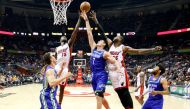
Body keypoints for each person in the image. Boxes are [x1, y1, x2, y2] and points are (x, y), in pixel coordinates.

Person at [89, 11, 162, 109]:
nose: (115, 36)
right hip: (111, 72)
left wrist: (152, 49)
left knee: (124, 91)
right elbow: (102, 33)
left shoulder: (124, 48)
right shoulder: (110, 45)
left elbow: (139, 51)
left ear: (120, 40)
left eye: (117, 36)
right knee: (119, 92)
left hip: (120, 72)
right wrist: (95, 20)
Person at [80, 11, 120, 109]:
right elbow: (89, 33)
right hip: (94, 75)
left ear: (103, 45)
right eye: (99, 40)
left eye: (101, 41)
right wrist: (86, 20)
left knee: (98, 95)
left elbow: (114, 60)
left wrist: (118, 68)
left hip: (101, 75)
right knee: (99, 97)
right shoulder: (93, 47)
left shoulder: (105, 53)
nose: (99, 40)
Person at [55, 14, 81, 105]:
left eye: (65, 37)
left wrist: (79, 19)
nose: (64, 37)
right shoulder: (57, 48)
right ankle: (52, 102)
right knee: (52, 86)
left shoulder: (68, 45)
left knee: (62, 88)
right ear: (60, 40)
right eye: (63, 37)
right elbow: (54, 59)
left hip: (64, 69)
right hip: (57, 68)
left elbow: (75, 31)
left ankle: (59, 104)